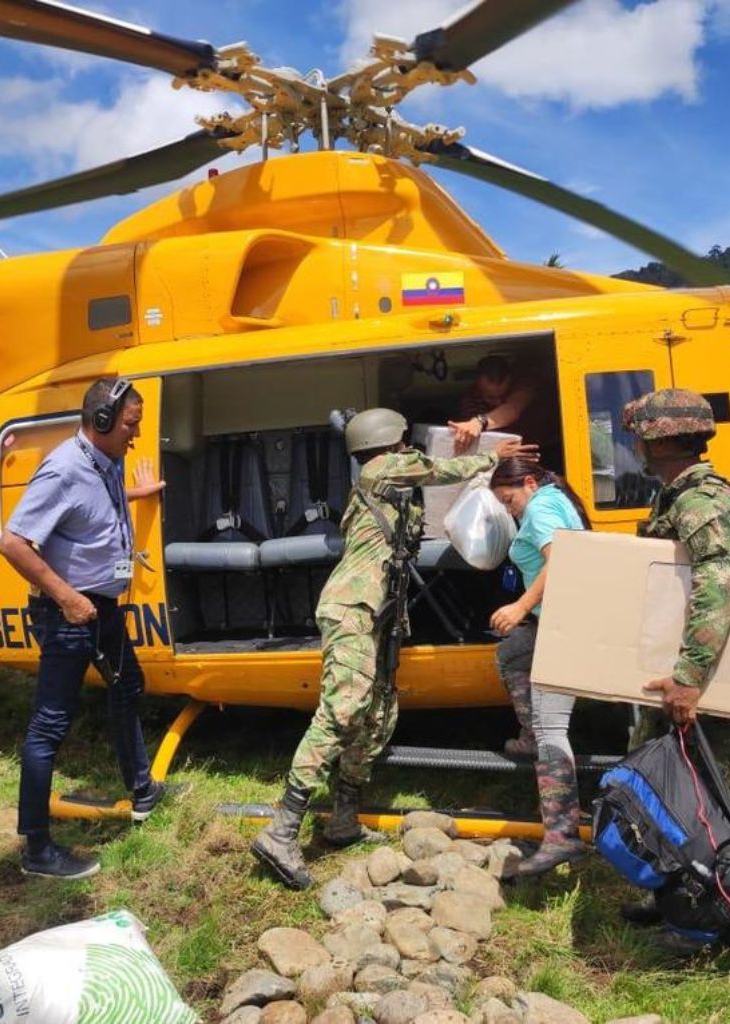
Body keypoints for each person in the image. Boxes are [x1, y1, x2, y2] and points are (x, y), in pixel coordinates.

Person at [251, 409, 538, 889]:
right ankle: (281, 832)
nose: (410, 449)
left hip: (380, 616)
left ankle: (343, 817)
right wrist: (490, 457)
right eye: (405, 442)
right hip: (353, 608)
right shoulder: (380, 470)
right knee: (342, 709)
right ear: (391, 444)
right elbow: (437, 469)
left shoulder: (393, 489)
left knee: (378, 714)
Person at [0, 377, 170, 880]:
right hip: (69, 612)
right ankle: (36, 849)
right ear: (101, 423)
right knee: (49, 724)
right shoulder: (63, 471)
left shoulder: (106, 460)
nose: (135, 435)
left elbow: (99, 503)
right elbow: (13, 543)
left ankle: (142, 791)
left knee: (128, 687)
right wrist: (68, 599)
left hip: (103, 607)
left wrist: (142, 491)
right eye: (130, 426)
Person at [619, 388, 730, 943]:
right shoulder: (677, 495)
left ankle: (727, 919)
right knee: (681, 798)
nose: (634, 445)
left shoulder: (699, 501)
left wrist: (690, 676)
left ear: (663, 439)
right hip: (691, 673)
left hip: (712, 681)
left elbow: (718, 584)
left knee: (717, 805)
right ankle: (679, 902)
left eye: (640, 435)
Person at [488, 456, 590, 875]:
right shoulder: (552, 498)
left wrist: (520, 606)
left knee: (554, 730)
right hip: (561, 619)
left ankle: (562, 836)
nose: (510, 510)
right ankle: (530, 733)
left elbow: (560, 559)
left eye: (509, 500)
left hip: (565, 625)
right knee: (510, 653)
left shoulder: (542, 507)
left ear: (529, 483)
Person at [449, 354, 552, 455]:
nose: (498, 402)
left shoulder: (525, 386)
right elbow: (473, 441)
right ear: (478, 389)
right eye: (491, 397)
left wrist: (478, 422)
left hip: (544, 445)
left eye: (504, 396)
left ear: (510, 380)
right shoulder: (470, 402)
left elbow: (512, 408)